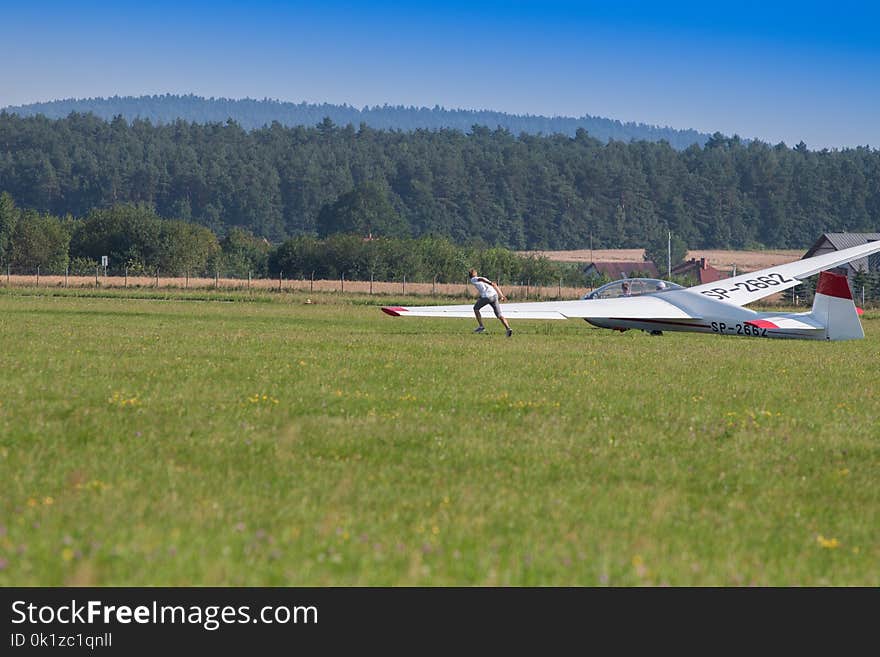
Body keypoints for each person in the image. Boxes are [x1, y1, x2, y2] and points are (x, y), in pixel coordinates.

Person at [468, 268, 512, 337]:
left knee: (476, 308)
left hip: (487, 297)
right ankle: (508, 328)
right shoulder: (484, 278)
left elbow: (481, 280)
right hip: (494, 296)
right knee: (499, 315)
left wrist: (489, 283)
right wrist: (502, 296)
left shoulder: (473, 279)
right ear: (475, 273)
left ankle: (481, 326)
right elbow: (495, 285)